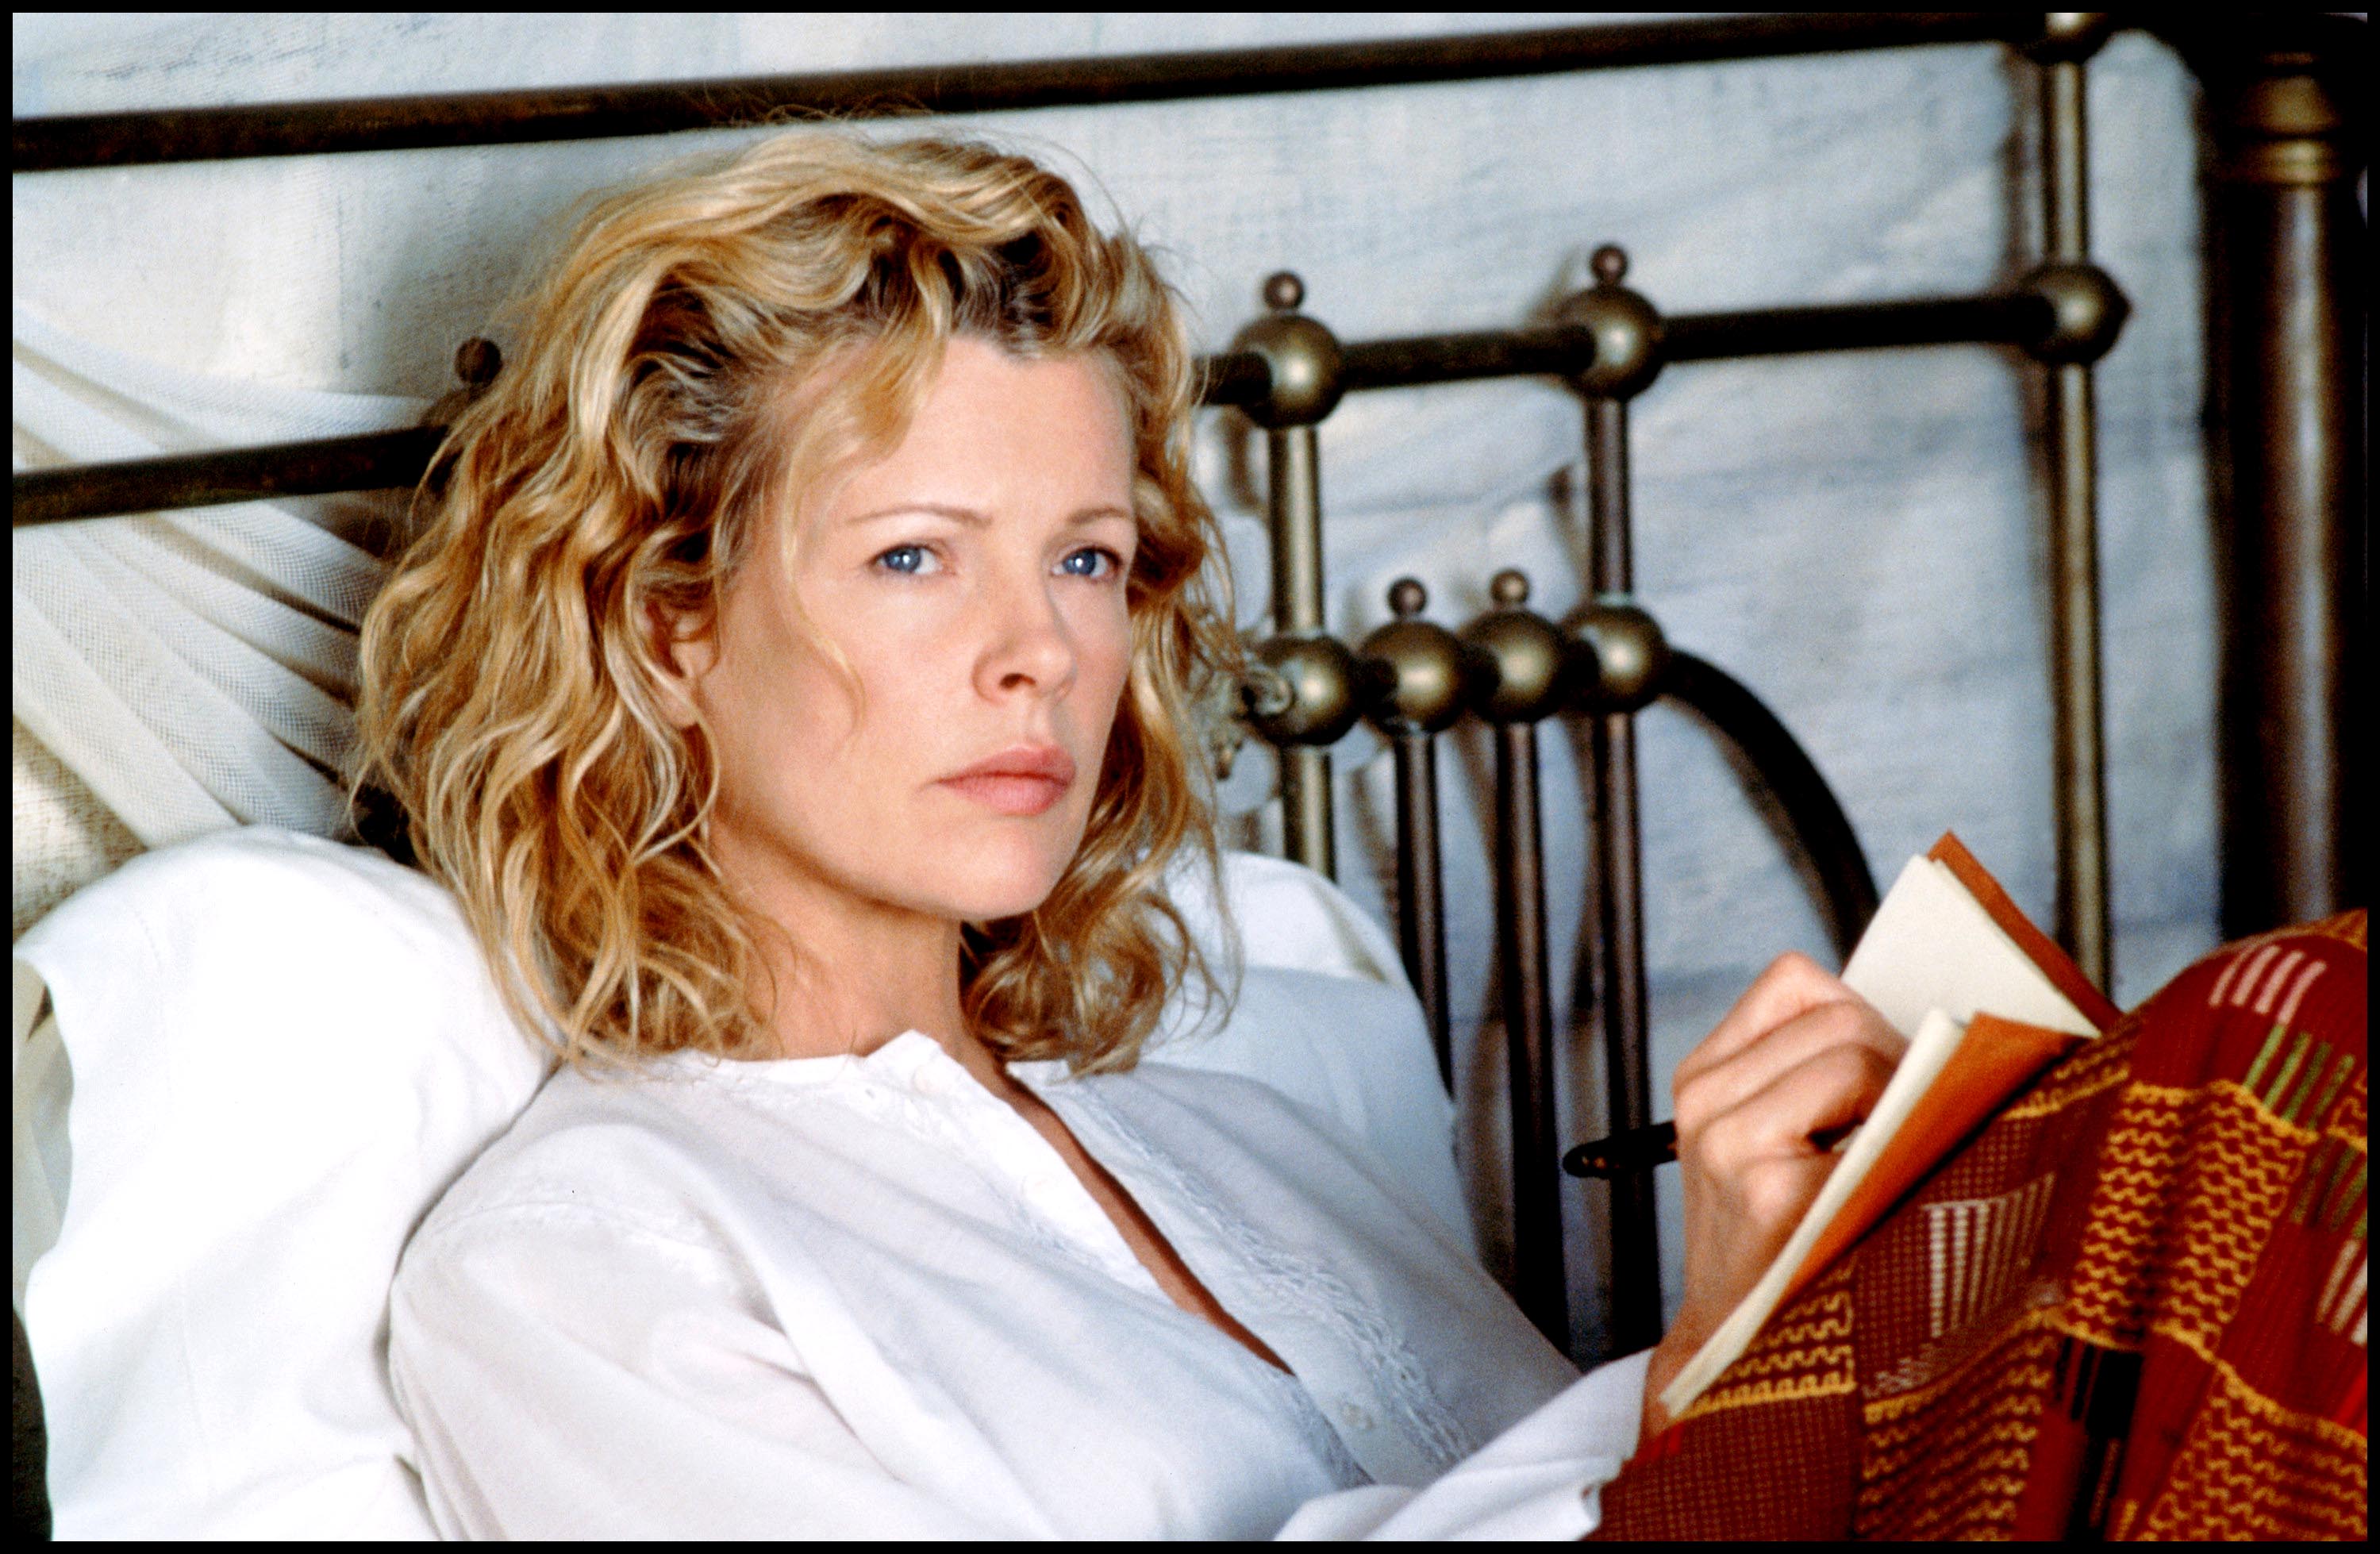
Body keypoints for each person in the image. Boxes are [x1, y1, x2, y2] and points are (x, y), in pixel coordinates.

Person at [359, 126, 1907, 1539]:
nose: (1041, 649)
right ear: (665, 625)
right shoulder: (590, 1264)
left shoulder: (1269, 1141)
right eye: (914, 557)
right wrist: (1719, 1386)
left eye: (1086, 560)